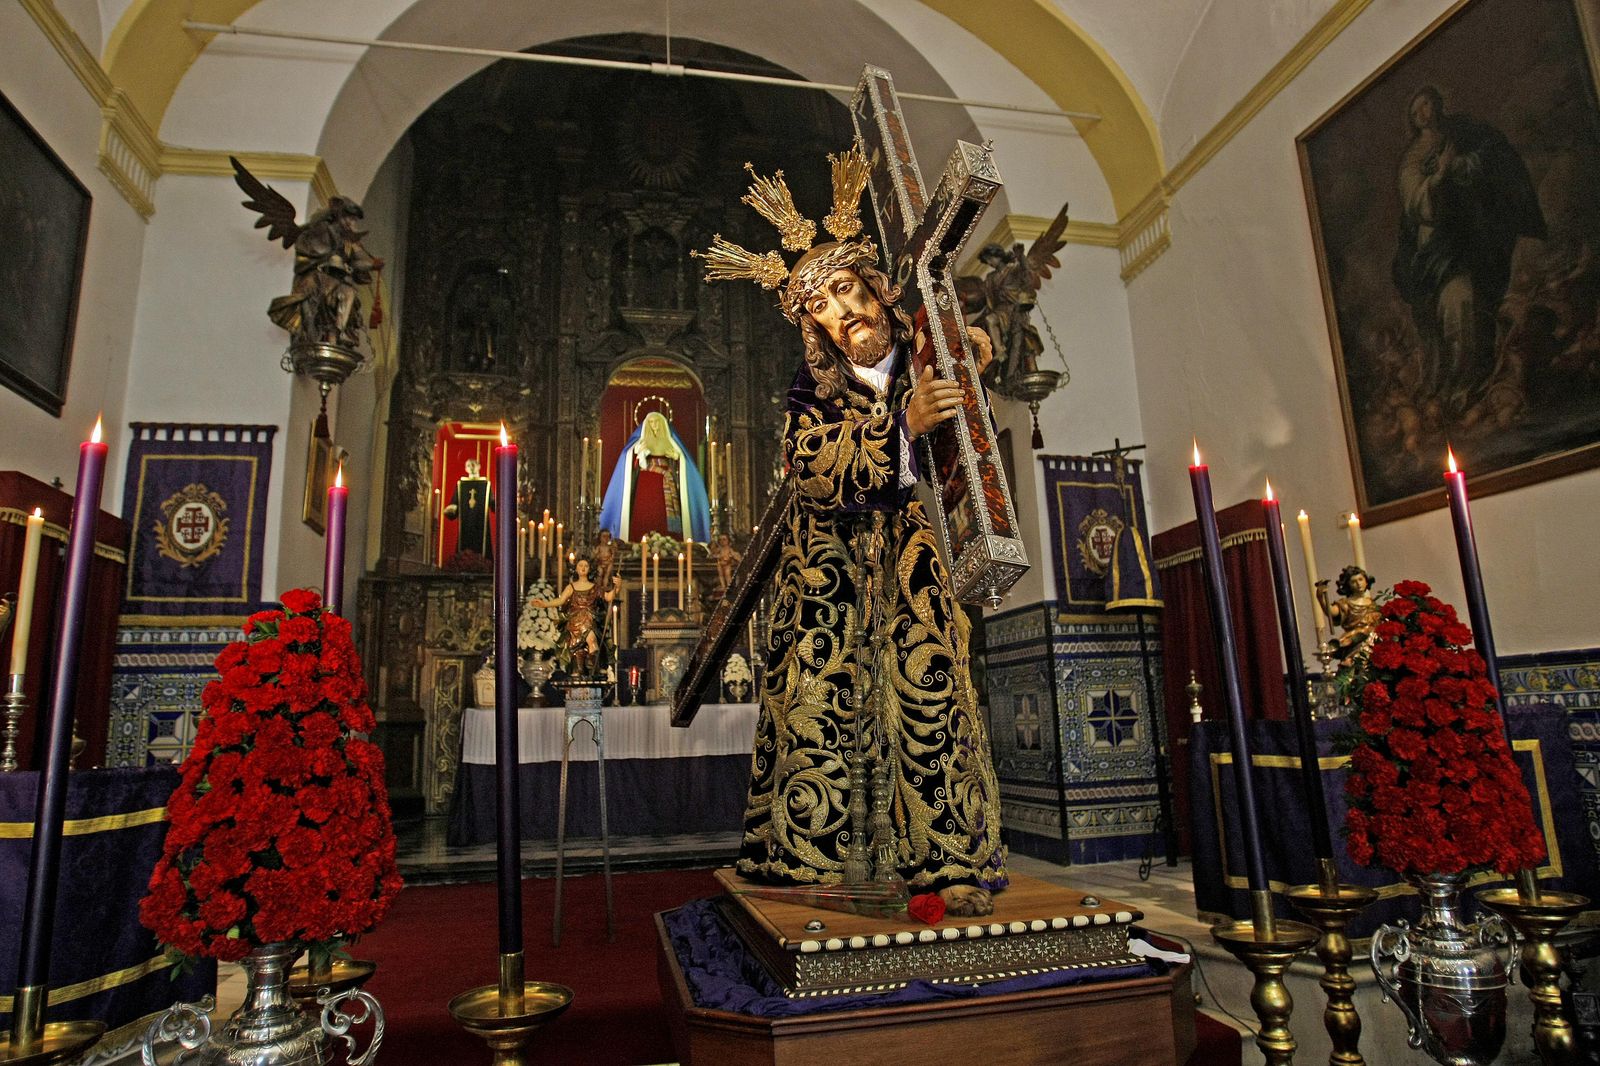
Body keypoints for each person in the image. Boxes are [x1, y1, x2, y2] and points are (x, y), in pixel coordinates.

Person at [695, 147, 1006, 916]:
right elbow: (810, 470)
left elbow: (963, 456)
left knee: (928, 703)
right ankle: (808, 862)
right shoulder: (811, 394)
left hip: (909, 571)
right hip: (825, 583)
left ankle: (944, 865)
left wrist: (970, 378)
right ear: (814, 329)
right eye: (823, 307)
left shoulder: (926, 358)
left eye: (846, 290)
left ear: (875, 286)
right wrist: (899, 426)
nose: (842, 311)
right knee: (818, 708)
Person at [1392, 85, 1544, 413]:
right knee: (1450, 303)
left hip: (1473, 233)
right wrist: (1443, 172)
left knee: (1474, 299)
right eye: (1417, 110)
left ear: (1438, 104)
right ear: (1413, 120)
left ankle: (1472, 381)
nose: (1424, 113)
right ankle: (1454, 381)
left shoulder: (1465, 132)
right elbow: (1418, 205)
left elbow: (1494, 159)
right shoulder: (1412, 158)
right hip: (1436, 243)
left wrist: (1465, 165)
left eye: (1427, 104)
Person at [597, 410, 711, 543]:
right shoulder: (640, 441)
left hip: (665, 479)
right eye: (651, 422)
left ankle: (669, 541)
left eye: (657, 422)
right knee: (646, 510)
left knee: (663, 513)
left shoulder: (671, 440)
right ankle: (641, 539)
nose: (654, 425)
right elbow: (629, 459)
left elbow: (682, 459)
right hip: (646, 481)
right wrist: (640, 455)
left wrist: (677, 457)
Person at [531, 557, 620, 678]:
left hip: (589, 619)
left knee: (592, 641)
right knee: (577, 652)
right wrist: (544, 604)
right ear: (576, 569)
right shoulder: (571, 587)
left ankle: (593, 664)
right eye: (580, 565)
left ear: (590, 569)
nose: (583, 568)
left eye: (586, 566)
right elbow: (561, 600)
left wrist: (617, 587)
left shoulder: (595, 587)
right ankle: (580, 670)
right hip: (575, 623)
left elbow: (609, 597)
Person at [1316, 565, 1381, 662]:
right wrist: (1321, 597)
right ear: (1348, 585)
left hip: (1373, 641)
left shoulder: (1372, 603)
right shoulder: (1345, 604)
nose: (1358, 584)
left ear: (1366, 581)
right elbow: (1332, 612)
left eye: (1360, 579)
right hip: (1354, 640)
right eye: (1353, 581)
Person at [442, 458, 494, 559]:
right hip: (466, 521)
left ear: (479, 466)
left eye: (473, 465)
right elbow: (454, 504)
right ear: (466, 469)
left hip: (480, 521)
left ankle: (483, 562)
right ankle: (463, 560)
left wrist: (499, 506)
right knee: (465, 540)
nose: (471, 467)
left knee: (481, 540)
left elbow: (492, 502)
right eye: (469, 465)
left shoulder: (486, 485)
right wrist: (450, 510)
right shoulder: (461, 484)